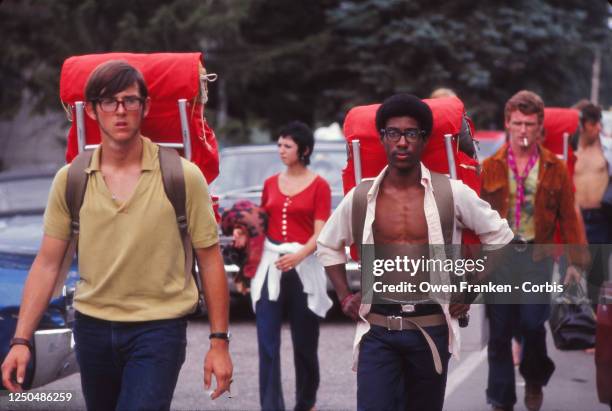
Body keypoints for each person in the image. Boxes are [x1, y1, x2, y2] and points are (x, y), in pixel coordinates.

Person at [0, 61, 233, 410]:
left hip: (158, 330)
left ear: (146, 106)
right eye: (109, 101)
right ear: (92, 110)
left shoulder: (182, 176)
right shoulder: (71, 178)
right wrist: (21, 339)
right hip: (92, 329)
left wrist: (219, 343)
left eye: (130, 100)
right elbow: (48, 264)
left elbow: (210, 260)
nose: (120, 111)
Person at [316, 93, 514, 411]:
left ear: (423, 140)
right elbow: (327, 244)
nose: (403, 142)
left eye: (411, 133)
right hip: (377, 330)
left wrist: (472, 288)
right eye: (394, 133)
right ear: (382, 139)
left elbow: (501, 236)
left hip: (431, 329)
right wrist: (343, 295)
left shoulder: (452, 192)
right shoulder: (362, 195)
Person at [480, 90, 587, 411]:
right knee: (498, 333)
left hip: (536, 258)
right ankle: (500, 399)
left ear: (540, 127)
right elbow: (475, 216)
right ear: (507, 124)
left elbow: (569, 215)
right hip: (499, 258)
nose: (523, 130)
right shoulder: (490, 167)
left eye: (529, 124)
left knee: (531, 324)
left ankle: (535, 378)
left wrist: (575, 263)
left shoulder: (555, 167)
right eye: (517, 123)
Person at [244, 121, 333, 410]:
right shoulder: (270, 183)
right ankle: (271, 406)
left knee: (305, 345)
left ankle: (306, 403)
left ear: (304, 150)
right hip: (271, 267)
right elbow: (261, 222)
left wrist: (300, 255)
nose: (281, 150)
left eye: (287, 146)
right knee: (267, 343)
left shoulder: (320, 185)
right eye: (279, 145)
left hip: (303, 267)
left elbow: (321, 231)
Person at [574, 103, 612, 305]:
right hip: (576, 216)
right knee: (571, 271)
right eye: (592, 124)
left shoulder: (608, 148)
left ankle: (596, 323)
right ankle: (571, 322)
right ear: (582, 125)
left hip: (600, 219)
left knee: (596, 277)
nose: (596, 128)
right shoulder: (571, 149)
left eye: (598, 123)